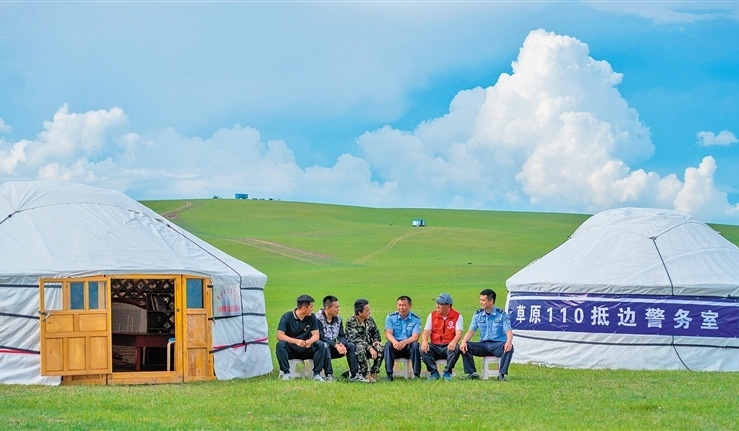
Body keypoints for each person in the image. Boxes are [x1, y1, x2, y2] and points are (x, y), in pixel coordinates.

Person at [459, 288, 514, 381]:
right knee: (465, 346)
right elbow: (471, 331)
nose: (481, 302)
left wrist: (508, 342)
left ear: (491, 301)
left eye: (483, 300)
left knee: (509, 348)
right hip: (483, 345)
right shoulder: (478, 314)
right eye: (480, 300)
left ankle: (501, 374)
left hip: (497, 345)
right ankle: (472, 373)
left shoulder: (501, 314)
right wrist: (464, 341)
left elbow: (509, 332)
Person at [275, 294, 328, 381]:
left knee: (320, 345)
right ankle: (286, 373)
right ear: (304, 308)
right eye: (311, 307)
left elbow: (316, 335)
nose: (313, 309)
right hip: (291, 349)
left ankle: (317, 375)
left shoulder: (312, 317)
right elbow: (279, 335)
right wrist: (296, 341)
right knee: (280, 345)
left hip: (306, 348)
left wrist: (310, 341)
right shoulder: (287, 317)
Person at [316, 295, 361, 382]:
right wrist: (336, 345)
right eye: (336, 307)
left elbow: (342, 335)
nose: (338, 309)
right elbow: (321, 337)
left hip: (335, 346)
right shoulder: (317, 319)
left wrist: (341, 344)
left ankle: (354, 375)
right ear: (327, 308)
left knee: (351, 346)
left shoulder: (338, 319)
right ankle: (329, 375)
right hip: (321, 348)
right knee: (325, 346)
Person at [420, 292, 463, 380]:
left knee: (456, 348)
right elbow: (426, 332)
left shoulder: (457, 316)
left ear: (448, 305)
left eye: (440, 304)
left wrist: (454, 341)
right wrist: (424, 341)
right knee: (422, 348)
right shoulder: (432, 315)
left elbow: (459, 333)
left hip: (448, 346)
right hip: (435, 345)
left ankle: (447, 372)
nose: (437, 306)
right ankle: (434, 372)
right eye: (437, 303)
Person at [383, 295, 421, 381]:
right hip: (395, 345)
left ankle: (416, 374)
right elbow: (388, 333)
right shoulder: (391, 317)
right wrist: (394, 342)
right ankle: (389, 374)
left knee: (415, 345)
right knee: (388, 345)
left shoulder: (416, 319)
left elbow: (415, 337)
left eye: (404, 305)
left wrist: (405, 342)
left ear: (410, 306)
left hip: (408, 346)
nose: (401, 308)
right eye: (399, 305)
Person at [345, 298, 383, 382]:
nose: (369, 312)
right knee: (360, 348)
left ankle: (374, 372)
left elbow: (375, 332)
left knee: (380, 348)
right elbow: (355, 339)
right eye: (367, 310)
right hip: (357, 348)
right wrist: (369, 347)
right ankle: (365, 374)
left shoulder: (370, 320)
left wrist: (376, 341)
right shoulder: (351, 322)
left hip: (370, 346)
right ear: (360, 312)